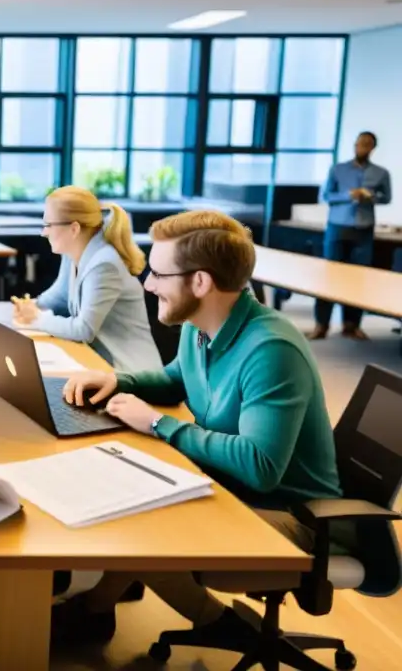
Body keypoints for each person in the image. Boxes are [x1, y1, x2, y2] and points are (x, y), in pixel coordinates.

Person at [54, 210, 342, 645]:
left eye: (157, 274)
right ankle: (98, 607)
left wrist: (156, 423)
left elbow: (261, 465)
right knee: (130, 489)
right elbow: (177, 377)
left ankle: (214, 620)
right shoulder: (201, 324)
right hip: (233, 487)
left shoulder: (271, 350)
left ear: (201, 282)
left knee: (149, 517)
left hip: (291, 514)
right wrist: (118, 380)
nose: (148, 284)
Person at [11, 187, 162, 372]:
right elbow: (61, 295)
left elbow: (84, 330)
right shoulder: (74, 252)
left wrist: (37, 319)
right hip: (100, 363)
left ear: (74, 228)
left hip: (131, 372)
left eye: (49, 225)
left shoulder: (105, 264)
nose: (44, 232)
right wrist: (31, 305)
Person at [308, 131, 391, 341]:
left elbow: (386, 197)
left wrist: (371, 196)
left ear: (373, 148)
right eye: (360, 143)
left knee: (358, 278)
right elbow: (326, 195)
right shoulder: (338, 169)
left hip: (363, 230)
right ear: (354, 145)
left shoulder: (381, 173)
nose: (362, 147)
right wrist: (348, 196)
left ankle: (351, 325)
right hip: (338, 226)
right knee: (329, 275)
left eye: (367, 144)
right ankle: (321, 324)